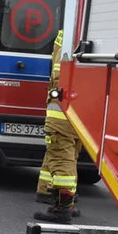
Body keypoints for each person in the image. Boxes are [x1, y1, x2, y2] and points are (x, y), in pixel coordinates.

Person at [33, 29, 83, 223]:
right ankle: (60, 200)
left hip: (62, 111)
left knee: (61, 159)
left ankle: (62, 208)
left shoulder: (68, 34)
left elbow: (58, 74)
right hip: (82, 112)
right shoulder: (91, 33)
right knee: (70, 157)